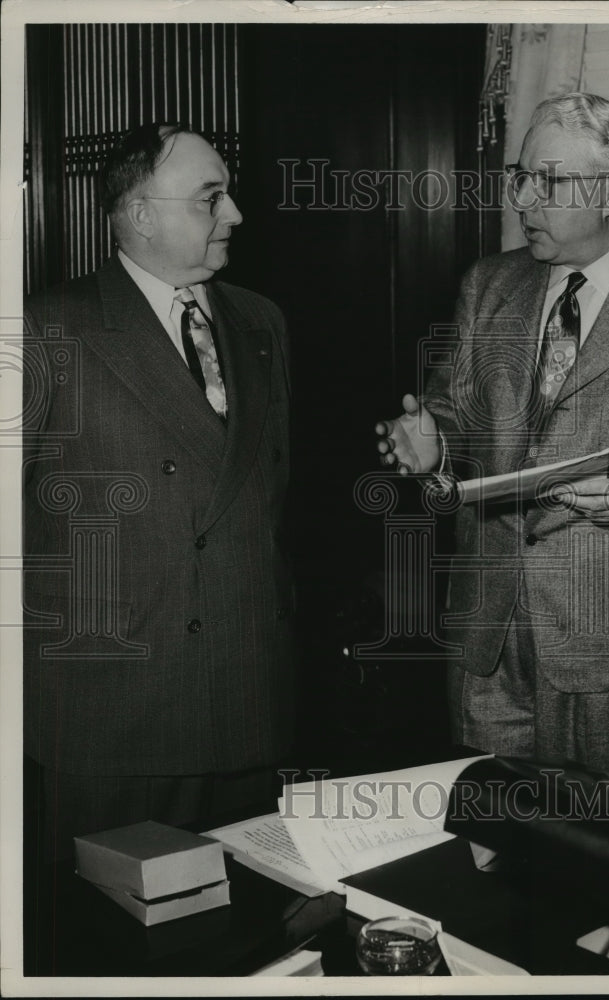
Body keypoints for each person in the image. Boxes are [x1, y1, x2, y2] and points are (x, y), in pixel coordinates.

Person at [376, 93, 609, 786]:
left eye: (545, 182)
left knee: (596, 856)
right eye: (518, 176)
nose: (521, 198)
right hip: (484, 629)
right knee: (482, 841)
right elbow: (453, 412)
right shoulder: (489, 284)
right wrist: (430, 445)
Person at [24, 123, 296, 860]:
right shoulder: (47, 331)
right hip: (117, 713)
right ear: (140, 214)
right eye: (210, 199)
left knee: (252, 937)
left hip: (248, 700)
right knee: (117, 945)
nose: (234, 213)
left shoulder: (259, 320)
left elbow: (273, 505)